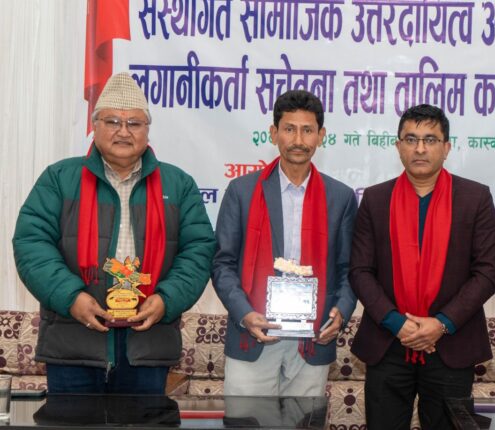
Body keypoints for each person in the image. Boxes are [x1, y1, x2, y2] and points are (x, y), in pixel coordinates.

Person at [12, 72, 216, 394]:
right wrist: (71, 297)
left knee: (143, 420)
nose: (123, 131)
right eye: (112, 122)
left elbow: (199, 251)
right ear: (95, 126)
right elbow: (31, 244)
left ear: (147, 130)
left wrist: (166, 299)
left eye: (134, 123)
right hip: (73, 343)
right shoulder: (59, 179)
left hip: (148, 345)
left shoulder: (179, 185)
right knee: (70, 421)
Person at [349, 104, 495, 429]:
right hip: (388, 343)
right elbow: (360, 271)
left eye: (430, 140)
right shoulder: (375, 200)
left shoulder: (475, 198)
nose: (420, 148)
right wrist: (396, 323)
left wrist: (442, 323)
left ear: (446, 147)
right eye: (411, 139)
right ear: (398, 146)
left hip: (450, 345)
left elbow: (487, 272)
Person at [212, 89, 357, 397]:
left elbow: (349, 268)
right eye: (289, 129)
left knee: (303, 420)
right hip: (253, 334)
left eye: (307, 130)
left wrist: (342, 311)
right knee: (246, 420)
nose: (298, 140)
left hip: (314, 338)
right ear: (273, 133)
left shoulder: (341, 197)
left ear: (321, 136)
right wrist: (244, 313)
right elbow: (222, 263)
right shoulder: (241, 191)